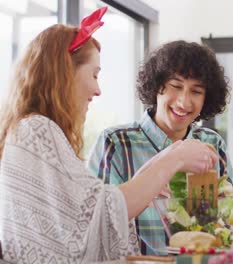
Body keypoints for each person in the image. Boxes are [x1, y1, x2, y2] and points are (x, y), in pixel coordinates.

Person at [0, 7, 218, 263]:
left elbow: (92, 210)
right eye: (94, 74)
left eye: (196, 91)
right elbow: (95, 215)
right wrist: (176, 158)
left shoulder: (30, 130)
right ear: (64, 73)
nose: (98, 89)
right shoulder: (37, 130)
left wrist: (165, 161)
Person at [87, 40, 233, 255]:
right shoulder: (116, 143)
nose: (184, 102)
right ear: (157, 87)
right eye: (176, 86)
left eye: (196, 92)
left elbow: (223, 227)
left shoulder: (212, 143)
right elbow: (97, 221)